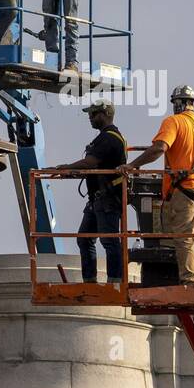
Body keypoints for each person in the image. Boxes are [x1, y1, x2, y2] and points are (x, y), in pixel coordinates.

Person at [126, 84, 194, 287]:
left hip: (185, 190)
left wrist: (132, 165)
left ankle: (190, 283)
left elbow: (159, 149)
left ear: (178, 103)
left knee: (185, 238)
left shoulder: (174, 122)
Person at [53, 100, 127, 285]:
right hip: (98, 199)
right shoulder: (105, 137)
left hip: (108, 199)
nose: (90, 117)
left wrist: (67, 168)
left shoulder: (109, 138)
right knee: (84, 239)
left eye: (93, 114)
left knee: (109, 240)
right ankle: (90, 281)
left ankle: (115, 283)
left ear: (105, 114)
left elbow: (91, 163)